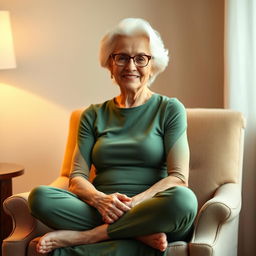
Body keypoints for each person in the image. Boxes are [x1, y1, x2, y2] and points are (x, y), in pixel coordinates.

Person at [28, 18, 198, 256]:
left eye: (140, 58)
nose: (131, 66)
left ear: (153, 64)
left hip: (153, 207)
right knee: (40, 197)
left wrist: (133, 203)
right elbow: (77, 177)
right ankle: (138, 233)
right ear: (109, 63)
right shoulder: (92, 115)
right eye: (122, 57)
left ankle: (91, 236)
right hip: (100, 209)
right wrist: (100, 200)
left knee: (183, 201)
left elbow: (178, 178)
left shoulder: (169, 109)